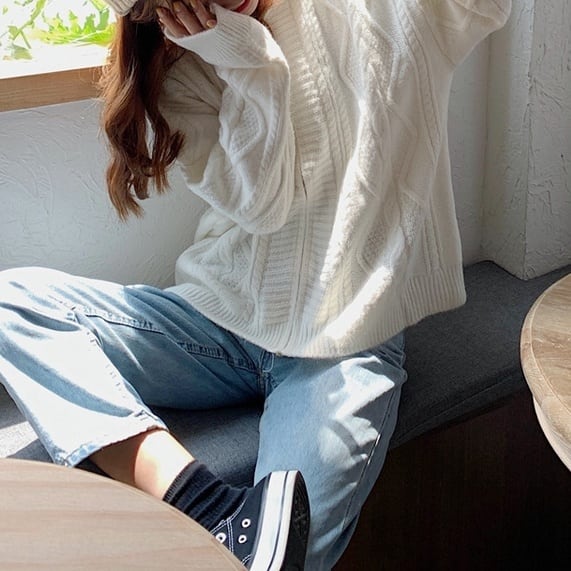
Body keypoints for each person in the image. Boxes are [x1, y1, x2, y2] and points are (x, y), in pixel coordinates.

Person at [0, 0, 511, 569]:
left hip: (343, 346)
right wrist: (244, 58)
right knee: (9, 305)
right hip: (217, 321)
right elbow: (263, 207)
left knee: (278, 557)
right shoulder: (182, 66)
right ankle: (198, 500)